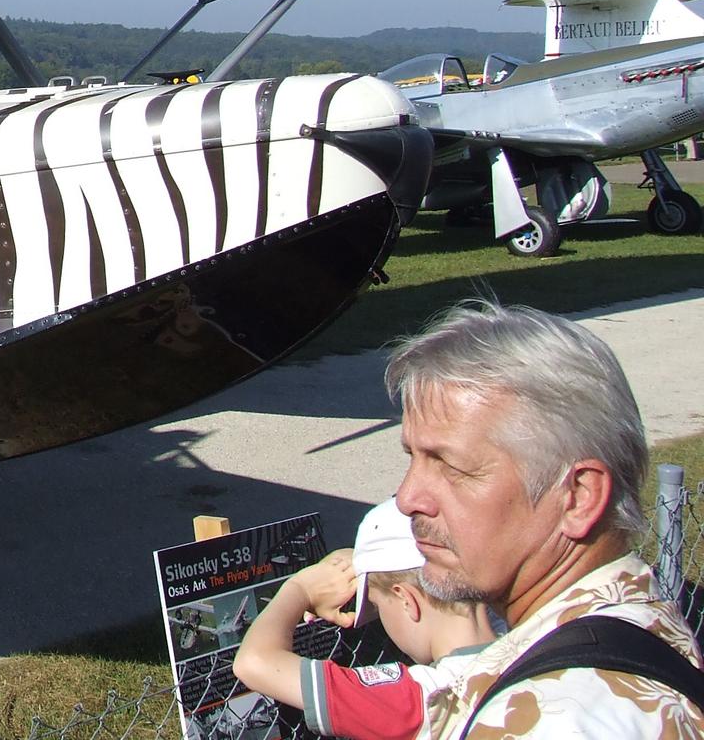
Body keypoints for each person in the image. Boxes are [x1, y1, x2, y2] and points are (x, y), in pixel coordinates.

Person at [388, 299, 704, 737]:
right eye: (413, 456)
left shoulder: (550, 716)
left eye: (453, 468)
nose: (407, 498)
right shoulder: (639, 625)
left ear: (577, 497)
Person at [233, 498, 496, 739]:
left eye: (378, 608)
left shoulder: (424, 700)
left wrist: (299, 588)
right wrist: (363, 563)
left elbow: (254, 662)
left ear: (406, 600)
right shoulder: (523, 635)